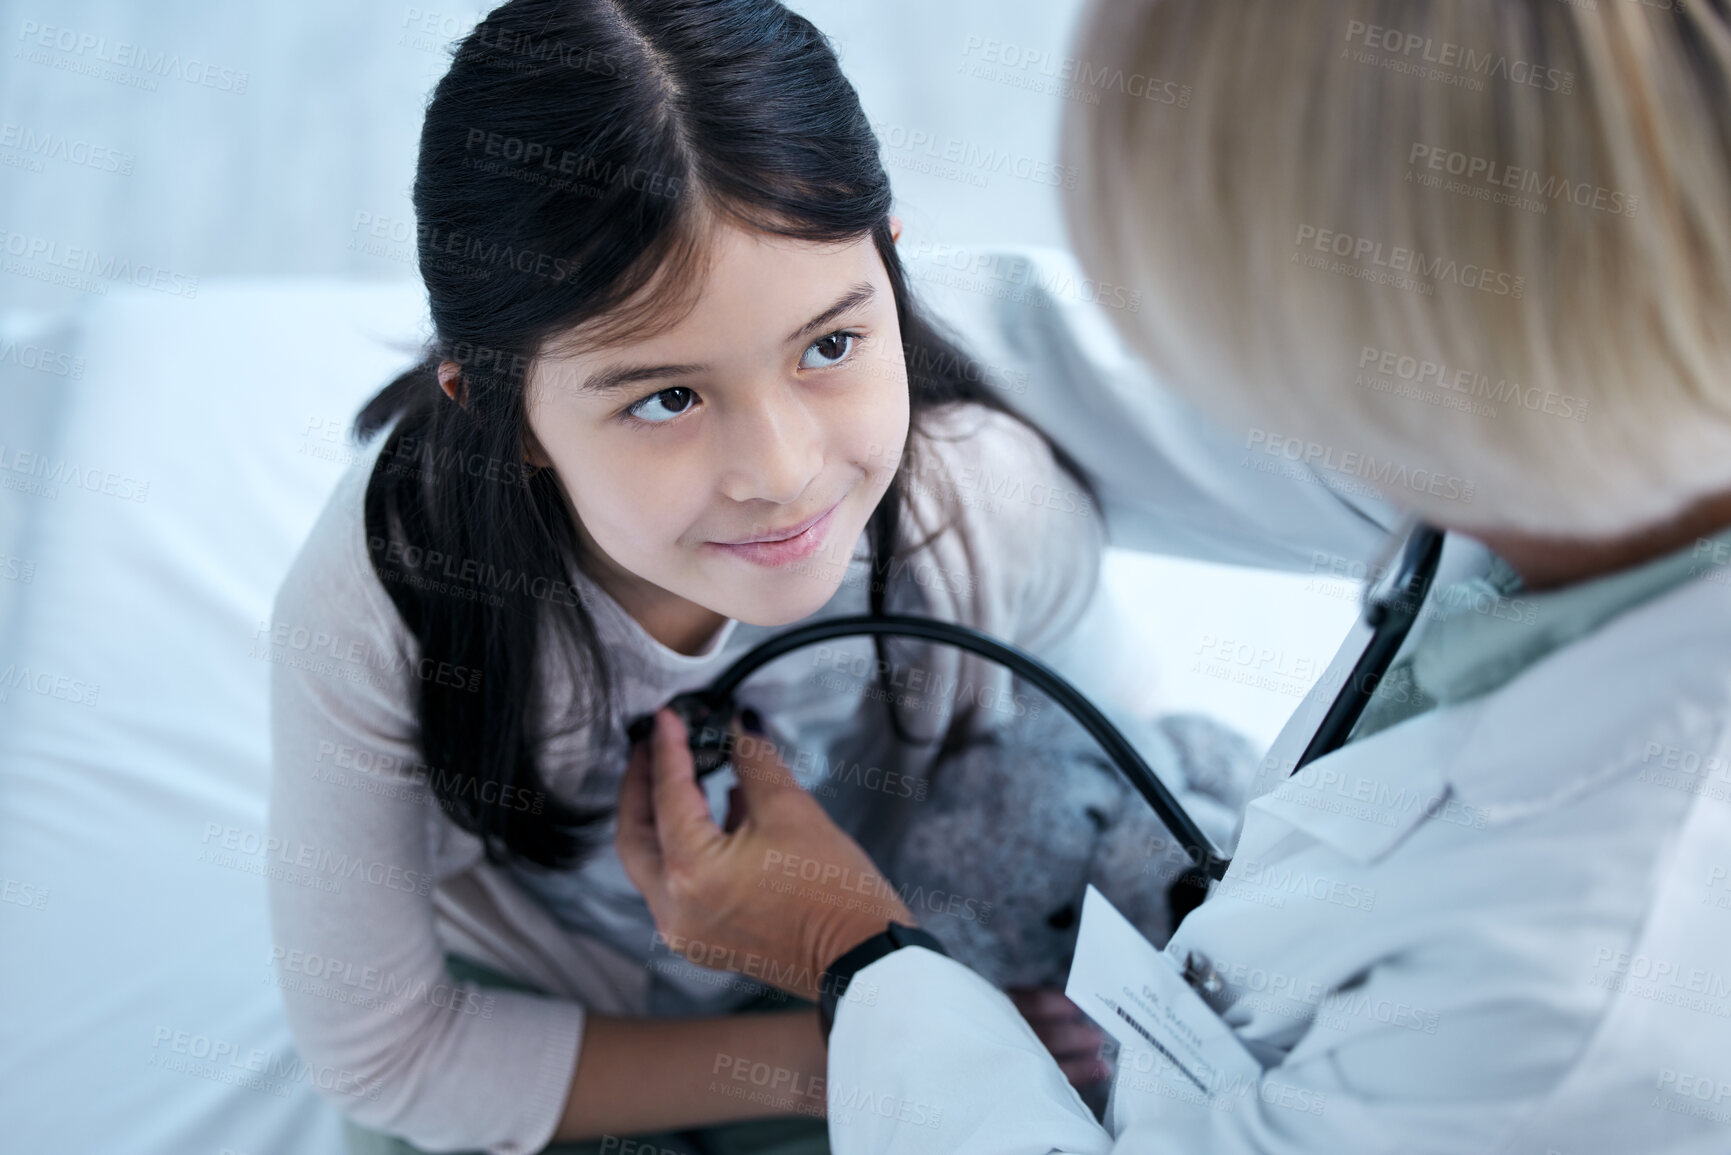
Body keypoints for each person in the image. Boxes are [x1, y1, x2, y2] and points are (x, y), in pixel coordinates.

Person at [615, 1, 1731, 1152]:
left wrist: (850, 951)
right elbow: (1066, 364)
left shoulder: (1581, 996)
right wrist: (775, 319)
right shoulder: (1576, 411)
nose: (783, 472)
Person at [264, 2, 1122, 1152]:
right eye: (666, 397)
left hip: (896, 972)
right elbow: (387, 1054)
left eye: (830, 346)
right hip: (565, 1036)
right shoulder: (388, 605)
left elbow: (1100, 758)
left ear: (890, 268)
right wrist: (854, 1049)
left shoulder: (990, 508)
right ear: (506, 412)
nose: (783, 473)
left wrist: (926, 1010)